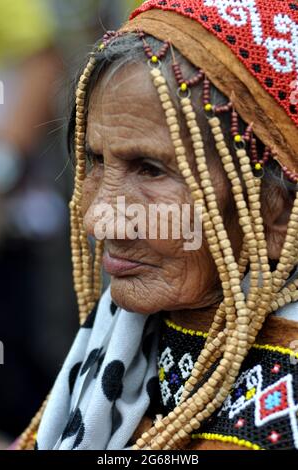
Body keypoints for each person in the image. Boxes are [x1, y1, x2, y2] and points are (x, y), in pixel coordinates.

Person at [17, 0, 298, 450]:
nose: (99, 218)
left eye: (150, 169)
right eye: (94, 161)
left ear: (278, 211)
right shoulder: (121, 334)